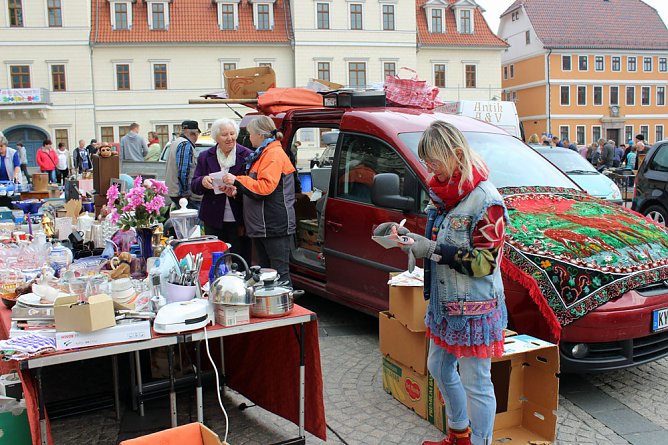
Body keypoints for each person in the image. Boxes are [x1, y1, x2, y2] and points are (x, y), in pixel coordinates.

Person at [374, 121, 507, 445]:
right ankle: (459, 434)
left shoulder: (486, 200)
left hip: (475, 307)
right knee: (438, 366)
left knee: (477, 381)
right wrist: (406, 238)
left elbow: (486, 264)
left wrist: (430, 249)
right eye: (427, 162)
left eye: (434, 162)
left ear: (457, 155)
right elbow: (437, 239)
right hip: (445, 304)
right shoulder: (442, 193)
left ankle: (480, 441)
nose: (429, 168)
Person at [222, 116, 296, 285]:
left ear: (260, 135)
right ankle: (272, 308)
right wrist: (236, 191)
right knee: (267, 274)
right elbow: (257, 188)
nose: (249, 138)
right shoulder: (264, 153)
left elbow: (265, 188)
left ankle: (284, 308)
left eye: (250, 134)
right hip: (264, 225)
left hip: (273, 225)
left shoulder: (273, 154)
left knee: (279, 275)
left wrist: (237, 180)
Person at [191, 118, 252, 261]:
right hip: (213, 218)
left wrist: (237, 189)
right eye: (225, 135)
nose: (230, 138)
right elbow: (194, 185)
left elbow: (253, 187)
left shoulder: (247, 155)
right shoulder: (205, 156)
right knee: (215, 259)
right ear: (216, 137)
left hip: (239, 218)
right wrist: (202, 181)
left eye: (232, 133)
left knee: (240, 259)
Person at [165, 120, 201, 208]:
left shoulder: (176, 142)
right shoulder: (185, 144)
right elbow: (183, 171)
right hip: (182, 195)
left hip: (175, 192)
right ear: (195, 134)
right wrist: (186, 193)